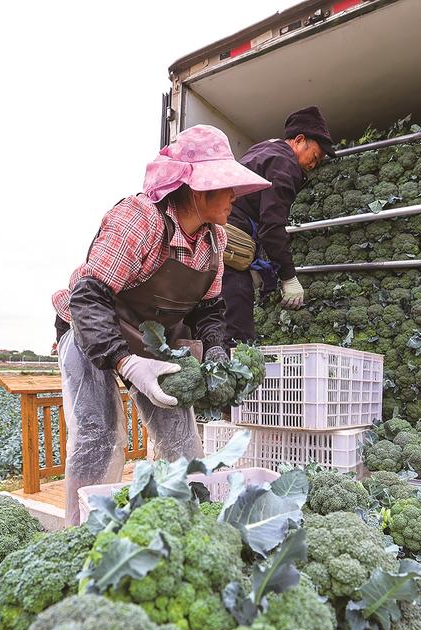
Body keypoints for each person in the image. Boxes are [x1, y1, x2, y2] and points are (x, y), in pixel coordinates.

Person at [50, 125, 270, 525]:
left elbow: (209, 309)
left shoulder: (215, 241)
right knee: (98, 434)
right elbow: (89, 296)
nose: (235, 196)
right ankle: (80, 530)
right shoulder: (139, 220)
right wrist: (126, 362)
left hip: (151, 338)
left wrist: (217, 348)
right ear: (201, 190)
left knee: (183, 443)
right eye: (228, 186)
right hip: (90, 329)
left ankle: (195, 522)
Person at [220, 105, 336, 343]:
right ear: (300, 140)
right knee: (237, 335)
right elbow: (272, 226)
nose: (316, 163)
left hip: (217, 244)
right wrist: (288, 276)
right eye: (316, 155)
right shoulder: (285, 165)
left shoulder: (265, 149)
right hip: (231, 248)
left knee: (213, 321)